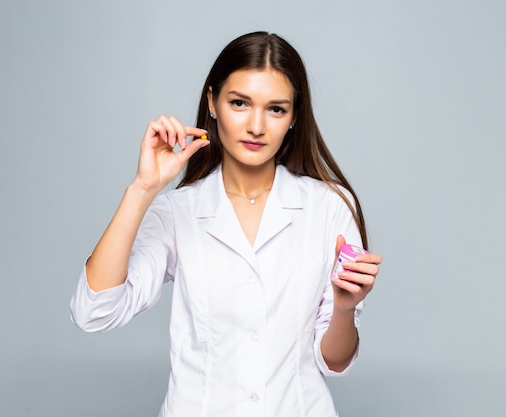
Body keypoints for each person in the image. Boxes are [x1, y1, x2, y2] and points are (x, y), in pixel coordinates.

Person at [70, 31, 382, 417]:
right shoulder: (179, 211)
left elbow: (333, 361)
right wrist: (143, 188)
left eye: (276, 109)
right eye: (239, 103)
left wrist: (344, 308)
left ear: (294, 118)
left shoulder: (329, 207)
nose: (256, 126)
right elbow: (94, 312)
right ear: (212, 102)